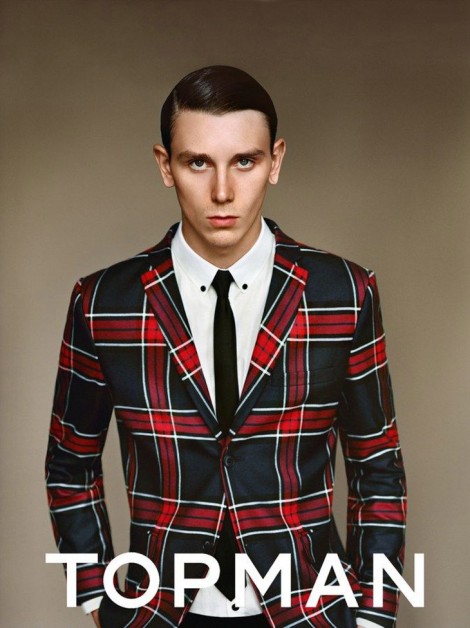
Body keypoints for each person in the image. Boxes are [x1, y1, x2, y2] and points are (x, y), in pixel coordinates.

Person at [46, 65, 406, 628]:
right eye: (198, 162)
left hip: (308, 610)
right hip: (159, 612)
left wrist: (374, 616)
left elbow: (377, 465)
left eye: (245, 161)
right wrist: (97, 599)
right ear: (165, 165)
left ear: (275, 161)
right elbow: (70, 465)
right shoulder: (102, 303)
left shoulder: (344, 293)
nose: (222, 191)